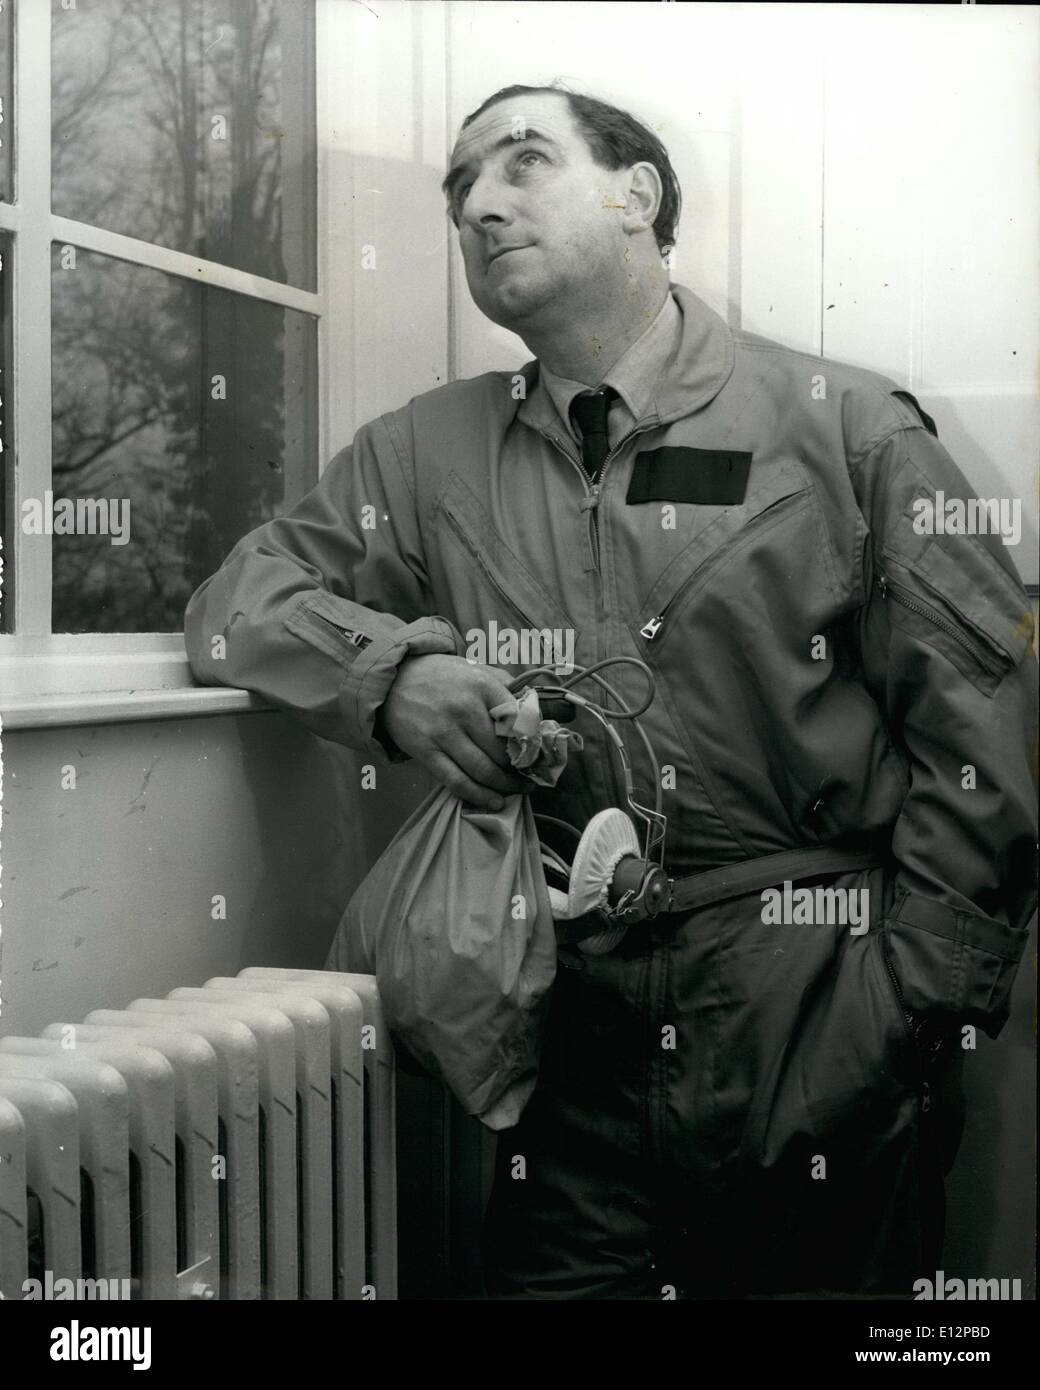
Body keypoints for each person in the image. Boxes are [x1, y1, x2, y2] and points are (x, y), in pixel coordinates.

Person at [184, 84, 1037, 1299]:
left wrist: (897, 1018)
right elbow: (234, 605)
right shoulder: (426, 454)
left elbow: (984, 737)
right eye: (458, 188)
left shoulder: (840, 428)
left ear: (637, 194)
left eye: (523, 162)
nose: (479, 202)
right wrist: (396, 679)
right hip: (565, 1055)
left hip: (814, 1030)